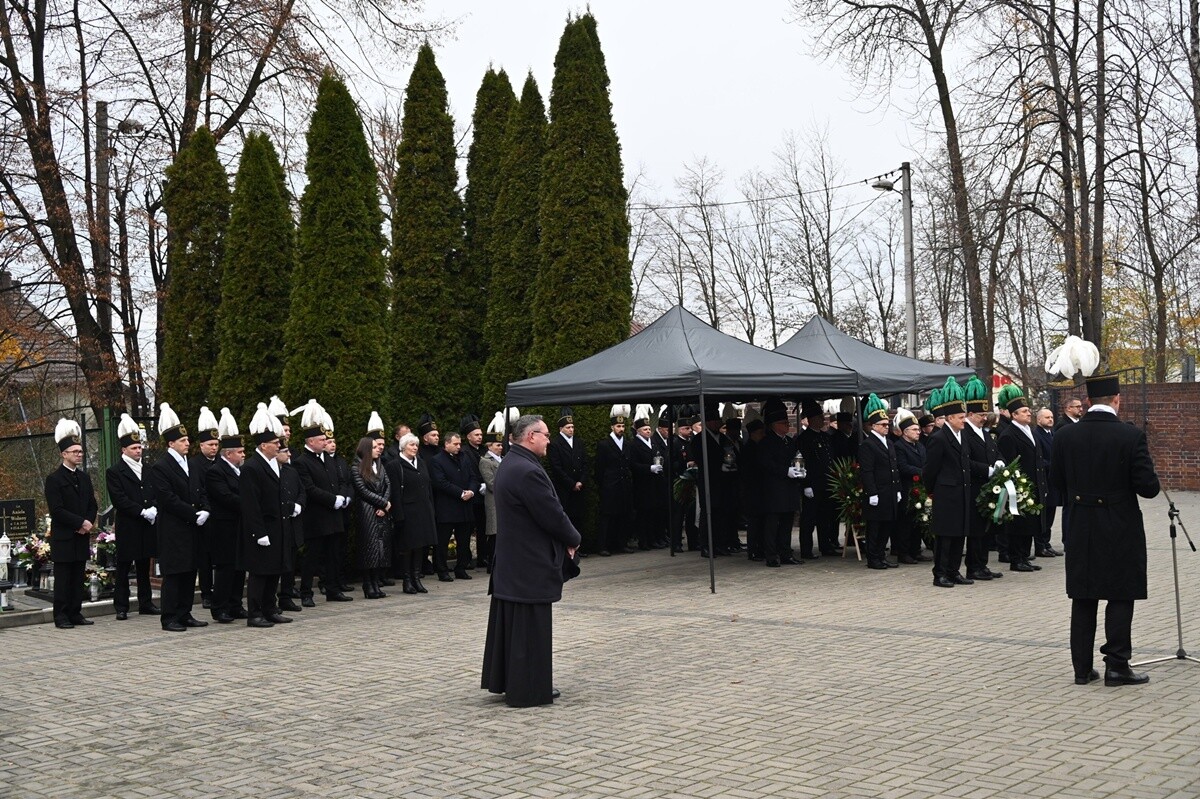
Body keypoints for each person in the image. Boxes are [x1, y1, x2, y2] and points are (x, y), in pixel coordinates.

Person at [1047, 351, 1160, 686]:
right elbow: (1148, 488)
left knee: (1083, 596)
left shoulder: (1065, 436)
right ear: (1117, 400)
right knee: (1120, 593)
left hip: (1080, 522)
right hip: (1120, 524)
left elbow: (1056, 483)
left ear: (1087, 401)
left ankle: (1081, 669)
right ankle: (1116, 666)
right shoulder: (1130, 435)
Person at [481, 414, 581, 708]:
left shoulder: (512, 463)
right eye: (546, 435)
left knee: (514, 626)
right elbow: (551, 513)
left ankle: (514, 681)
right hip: (528, 563)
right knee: (529, 628)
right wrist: (573, 538)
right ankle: (529, 687)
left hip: (514, 562)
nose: (550, 440)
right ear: (531, 436)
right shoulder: (527, 470)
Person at [149, 403, 211, 632]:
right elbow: (168, 499)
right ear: (171, 443)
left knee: (189, 572)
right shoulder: (161, 467)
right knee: (174, 574)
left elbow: (201, 490)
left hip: (193, 528)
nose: (188, 444)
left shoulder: (191, 465)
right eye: (183, 441)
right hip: (174, 529)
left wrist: (205, 509)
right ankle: (169, 617)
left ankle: (185, 613)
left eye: (188, 440)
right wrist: (193, 514)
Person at [292, 400, 352, 605]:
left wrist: (342, 497)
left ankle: (333, 589)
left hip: (334, 515)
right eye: (320, 439)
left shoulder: (329, 459)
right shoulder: (302, 461)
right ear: (310, 441)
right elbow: (309, 488)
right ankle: (306, 592)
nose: (325, 442)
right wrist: (332, 499)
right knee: (313, 557)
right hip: (317, 517)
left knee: (334, 554)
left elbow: (341, 481)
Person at [240, 403, 294, 628]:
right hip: (262, 528)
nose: (278, 446)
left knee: (275, 570)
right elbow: (251, 504)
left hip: (277, 526)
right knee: (260, 573)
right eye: (275, 443)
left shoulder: (274, 465)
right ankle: (255, 613)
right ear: (263, 445)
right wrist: (258, 532)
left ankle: (270, 608)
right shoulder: (252, 467)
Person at [105, 413, 159, 620]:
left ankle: (146, 602)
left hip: (147, 524)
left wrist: (153, 508)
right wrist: (141, 511)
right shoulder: (115, 471)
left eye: (140, 447)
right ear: (124, 450)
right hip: (129, 524)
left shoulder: (148, 469)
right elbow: (119, 499)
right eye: (134, 448)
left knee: (145, 565)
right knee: (124, 566)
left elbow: (154, 491)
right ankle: (121, 606)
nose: (138, 451)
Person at [45, 418, 97, 628]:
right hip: (65, 537)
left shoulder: (84, 478)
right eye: (74, 451)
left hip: (81, 535)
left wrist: (89, 522)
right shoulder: (54, 479)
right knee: (64, 578)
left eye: (80, 451)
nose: (79, 454)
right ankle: (61, 616)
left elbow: (92, 504)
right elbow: (56, 511)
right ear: (63, 454)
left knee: (78, 577)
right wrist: (80, 523)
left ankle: (76, 612)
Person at [923, 380, 976, 588]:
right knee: (945, 536)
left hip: (961, 492)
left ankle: (954, 571)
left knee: (959, 534)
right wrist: (932, 490)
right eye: (961, 417)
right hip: (946, 493)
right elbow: (930, 469)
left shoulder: (962, 435)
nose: (964, 420)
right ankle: (940, 573)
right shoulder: (939, 438)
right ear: (950, 418)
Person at [996, 385, 1048, 573]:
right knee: (1019, 525)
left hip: (1034, 485)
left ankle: (1024, 557)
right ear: (1014, 415)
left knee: (1030, 524)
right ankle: (1016, 559)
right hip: (1020, 487)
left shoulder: (1031, 431)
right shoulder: (1008, 435)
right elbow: (1011, 465)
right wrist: (1019, 486)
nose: (1029, 413)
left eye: (1029, 410)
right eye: (1024, 411)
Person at [204, 408, 248, 623]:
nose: (243, 455)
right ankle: (219, 607)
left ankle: (235, 604)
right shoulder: (216, 471)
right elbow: (225, 497)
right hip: (224, 527)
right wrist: (251, 505)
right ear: (228, 454)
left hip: (240, 525)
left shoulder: (241, 470)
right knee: (225, 568)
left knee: (240, 567)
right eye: (240, 452)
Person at [963, 375, 1005, 581]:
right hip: (974, 486)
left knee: (986, 530)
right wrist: (987, 470)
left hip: (988, 487)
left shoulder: (984, 432)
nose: (984, 418)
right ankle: (973, 566)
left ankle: (983, 564)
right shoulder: (965, 434)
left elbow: (995, 451)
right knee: (975, 531)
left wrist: (999, 462)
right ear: (970, 414)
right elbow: (966, 461)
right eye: (980, 414)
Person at [385, 433, 436, 594]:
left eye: (416, 445)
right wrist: (398, 515)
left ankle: (417, 578)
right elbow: (394, 492)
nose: (415, 448)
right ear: (402, 447)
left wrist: (431, 509)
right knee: (408, 548)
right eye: (411, 445)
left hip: (423, 511)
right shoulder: (395, 465)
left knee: (420, 546)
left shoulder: (420, 463)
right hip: (407, 512)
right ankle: (407, 580)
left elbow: (428, 488)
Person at [755, 398, 802, 567]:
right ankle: (771, 555)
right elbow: (766, 464)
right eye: (784, 423)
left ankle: (785, 552)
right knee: (772, 524)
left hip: (789, 488)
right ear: (774, 424)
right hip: (774, 490)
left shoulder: (789, 441)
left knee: (787, 523)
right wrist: (785, 471)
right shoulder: (766, 443)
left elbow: (796, 458)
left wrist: (798, 469)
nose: (787, 426)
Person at [859, 394, 902, 571]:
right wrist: (872, 492)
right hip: (877, 491)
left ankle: (881, 556)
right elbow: (867, 471)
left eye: (887, 424)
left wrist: (898, 488)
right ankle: (873, 558)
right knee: (875, 527)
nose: (886, 427)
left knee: (887, 525)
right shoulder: (868, 445)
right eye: (883, 425)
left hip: (890, 490)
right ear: (873, 426)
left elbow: (894, 467)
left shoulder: (889, 443)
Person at [352, 414, 393, 599]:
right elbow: (362, 490)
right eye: (375, 447)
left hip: (380, 512)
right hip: (366, 512)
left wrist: (384, 505)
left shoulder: (380, 465)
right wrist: (382, 502)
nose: (379, 450)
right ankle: (368, 585)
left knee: (380, 550)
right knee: (368, 550)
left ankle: (376, 583)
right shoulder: (356, 467)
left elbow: (387, 485)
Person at [431, 432, 480, 581]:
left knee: (464, 541)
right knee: (443, 541)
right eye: (455, 444)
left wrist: (471, 491)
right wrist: (460, 493)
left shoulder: (464, 458)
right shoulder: (437, 460)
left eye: (459, 444)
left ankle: (461, 568)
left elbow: (473, 477)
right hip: (447, 507)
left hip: (464, 507)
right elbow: (440, 482)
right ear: (446, 444)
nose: (459, 447)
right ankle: (442, 570)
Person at [796, 398, 839, 558]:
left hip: (826, 483)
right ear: (812, 419)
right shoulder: (804, 439)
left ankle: (825, 546)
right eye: (819, 417)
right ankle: (806, 550)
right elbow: (801, 462)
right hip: (812, 484)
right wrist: (805, 484)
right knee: (809, 519)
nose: (822, 420)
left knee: (825, 517)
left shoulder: (825, 437)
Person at [190, 406, 221, 609]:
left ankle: (219, 591)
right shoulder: (194, 464)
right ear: (201, 445)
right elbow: (199, 490)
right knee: (205, 558)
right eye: (210, 444)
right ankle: (207, 593)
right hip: (205, 516)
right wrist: (207, 508)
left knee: (220, 556)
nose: (214, 448)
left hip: (222, 516)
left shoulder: (221, 462)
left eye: (216, 444)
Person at [547, 407, 589, 550]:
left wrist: (581, 481)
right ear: (561, 428)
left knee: (578, 518)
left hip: (579, 487)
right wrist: (572, 483)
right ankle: (566, 547)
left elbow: (585, 463)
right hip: (565, 488)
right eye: (568, 427)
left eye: (572, 427)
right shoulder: (555, 444)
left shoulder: (579, 442)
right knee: (566, 517)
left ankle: (578, 547)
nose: (571, 429)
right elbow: (556, 468)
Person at [893, 408, 931, 564]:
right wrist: (923, 472)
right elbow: (902, 467)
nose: (918, 432)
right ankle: (904, 552)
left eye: (918, 429)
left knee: (918, 522)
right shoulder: (899, 446)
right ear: (905, 432)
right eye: (914, 430)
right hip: (907, 488)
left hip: (920, 488)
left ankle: (915, 550)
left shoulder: (920, 446)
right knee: (905, 523)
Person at [628, 407, 666, 551]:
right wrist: (649, 468)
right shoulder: (634, 445)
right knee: (644, 514)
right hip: (642, 484)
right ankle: (644, 541)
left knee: (654, 513)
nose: (648, 431)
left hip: (655, 483)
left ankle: (654, 538)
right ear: (638, 431)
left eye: (649, 429)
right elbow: (632, 464)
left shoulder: (653, 443)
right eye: (645, 429)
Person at [479, 412, 506, 572]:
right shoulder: (485, 461)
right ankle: (492, 564)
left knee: (503, 533)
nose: (500, 447)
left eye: (501, 445)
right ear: (489, 446)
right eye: (497, 445)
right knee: (494, 534)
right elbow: (491, 483)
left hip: (503, 500)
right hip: (494, 501)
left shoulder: (502, 459)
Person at [1034, 407, 1063, 557]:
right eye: (1047, 417)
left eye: (1051, 417)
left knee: (1051, 511)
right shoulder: (1036, 435)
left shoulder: (1053, 434)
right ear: (1039, 420)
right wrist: (1052, 465)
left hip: (1052, 479)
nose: (1050, 420)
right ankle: (1040, 544)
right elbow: (1038, 458)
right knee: (1043, 513)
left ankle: (1047, 542)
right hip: (1043, 478)